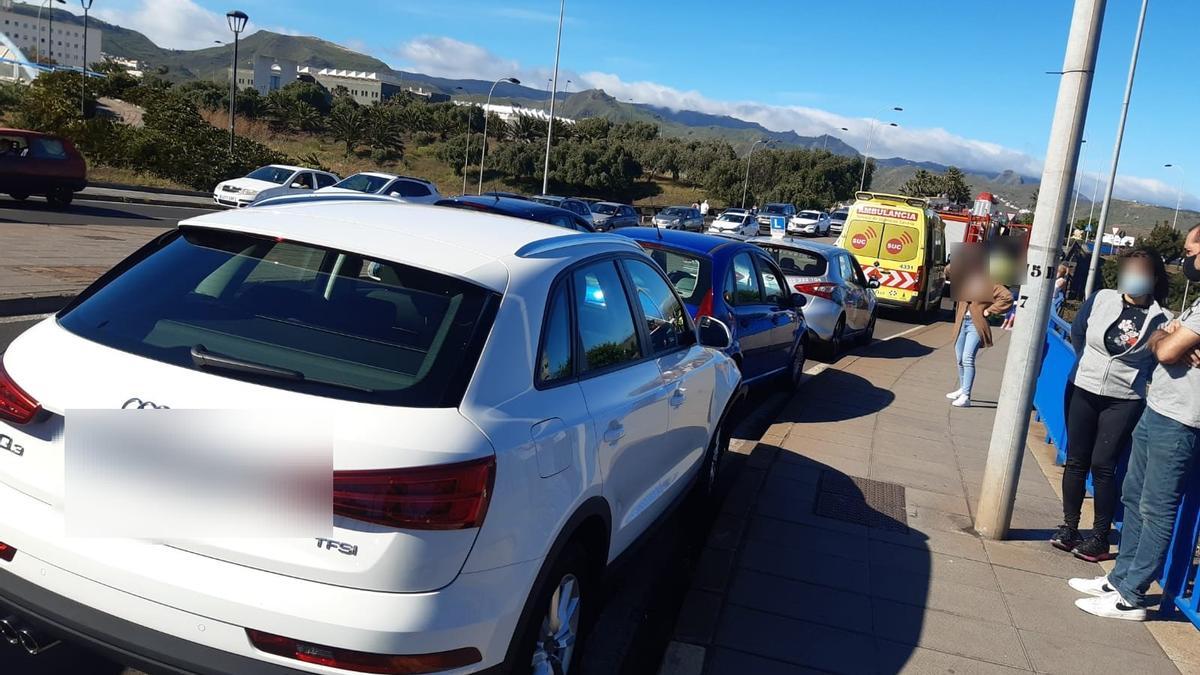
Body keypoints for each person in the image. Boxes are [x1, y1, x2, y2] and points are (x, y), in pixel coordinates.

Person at [1072, 224, 1200, 621]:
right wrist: (1168, 337)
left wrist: (1169, 338)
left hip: (1181, 419)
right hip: (1159, 407)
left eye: (1192, 249)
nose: (1188, 257)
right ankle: (1119, 577)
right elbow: (1163, 342)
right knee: (1134, 497)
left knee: (1156, 507)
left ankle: (1132, 596)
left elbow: (1164, 351)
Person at [1052, 249, 1169, 562]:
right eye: (1129, 270)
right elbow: (1078, 331)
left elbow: (1162, 360)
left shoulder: (1162, 319)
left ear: (1155, 278)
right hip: (1083, 387)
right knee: (1076, 459)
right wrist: (1088, 364)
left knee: (1104, 465)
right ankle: (1069, 528)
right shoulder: (1102, 298)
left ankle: (1100, 537)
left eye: (1142, 271)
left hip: (1125, 398)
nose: (1134, 277)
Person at [947, 252, 1014, 408]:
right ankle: (962, 388)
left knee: (967, 358)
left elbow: (1008, 297)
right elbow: (948, 271)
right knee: (959, 358)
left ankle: (966, 396)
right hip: (961, 322)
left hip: (975, 324)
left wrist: (990, 310)